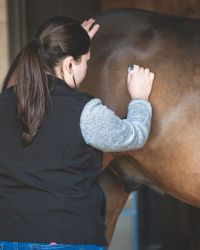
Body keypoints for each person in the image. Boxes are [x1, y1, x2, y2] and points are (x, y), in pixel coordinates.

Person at [0, 16, 154, 250]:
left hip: (8, 237)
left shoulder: (3, 104)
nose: (86, 68)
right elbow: (133, 136)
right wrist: (140, 99)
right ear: (70, 63)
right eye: (86, 62)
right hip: (68, 239)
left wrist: (67, 45)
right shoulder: (86, 112)